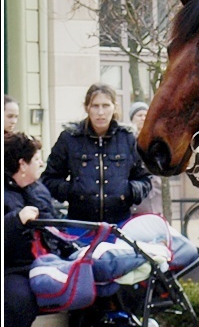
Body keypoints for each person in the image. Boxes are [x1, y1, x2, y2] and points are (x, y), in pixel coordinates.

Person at [42, 83, 151, 224]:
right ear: (87, 108)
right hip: (80, 224)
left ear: (114, 107)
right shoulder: (70, 138)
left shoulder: (127, 138)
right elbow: (49, 178)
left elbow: (145, 179)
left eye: (106, 106)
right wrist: (73, 191)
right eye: (95, 106)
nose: (101, 112)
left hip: (119, 223)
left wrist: (128, 191)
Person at [5, 132, 60, 327]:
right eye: (36, 159)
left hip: (43, 263)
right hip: (12, 269)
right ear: (22, 164)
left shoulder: (38, 190)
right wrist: (16, 220)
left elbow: (56, 228)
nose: (41, 163)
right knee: (19, 302)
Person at [128, 101, 164, 216]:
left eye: (146, 115)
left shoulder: (155, 139)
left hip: (154, 186)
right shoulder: (128, 139)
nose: (143, 118)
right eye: (139, 116)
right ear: (132, 119)